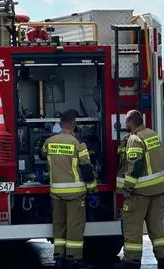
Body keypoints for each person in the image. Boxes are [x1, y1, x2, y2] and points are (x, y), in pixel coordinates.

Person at [41, 109, 97, 269]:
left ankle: (59, 257)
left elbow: (42, 154)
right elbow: (86, 168)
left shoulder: (49, 142)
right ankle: (74, 258)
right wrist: (92, 188)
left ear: (60, 124)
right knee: (74, 226)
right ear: (74, 124)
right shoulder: (78, 143)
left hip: (56, 192)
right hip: (75, 193)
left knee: (59, 225)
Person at [115, 110, 164, 269]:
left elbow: (136, 165)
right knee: (157, 227)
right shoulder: (152, 134)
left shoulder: (134, 139)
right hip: (158, 190)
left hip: (140, 193)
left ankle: (131, 261)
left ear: (131, 122)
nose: (125, 125)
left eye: (126, 122)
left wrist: (128, 187)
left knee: (132, 227)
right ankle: (162, 260)